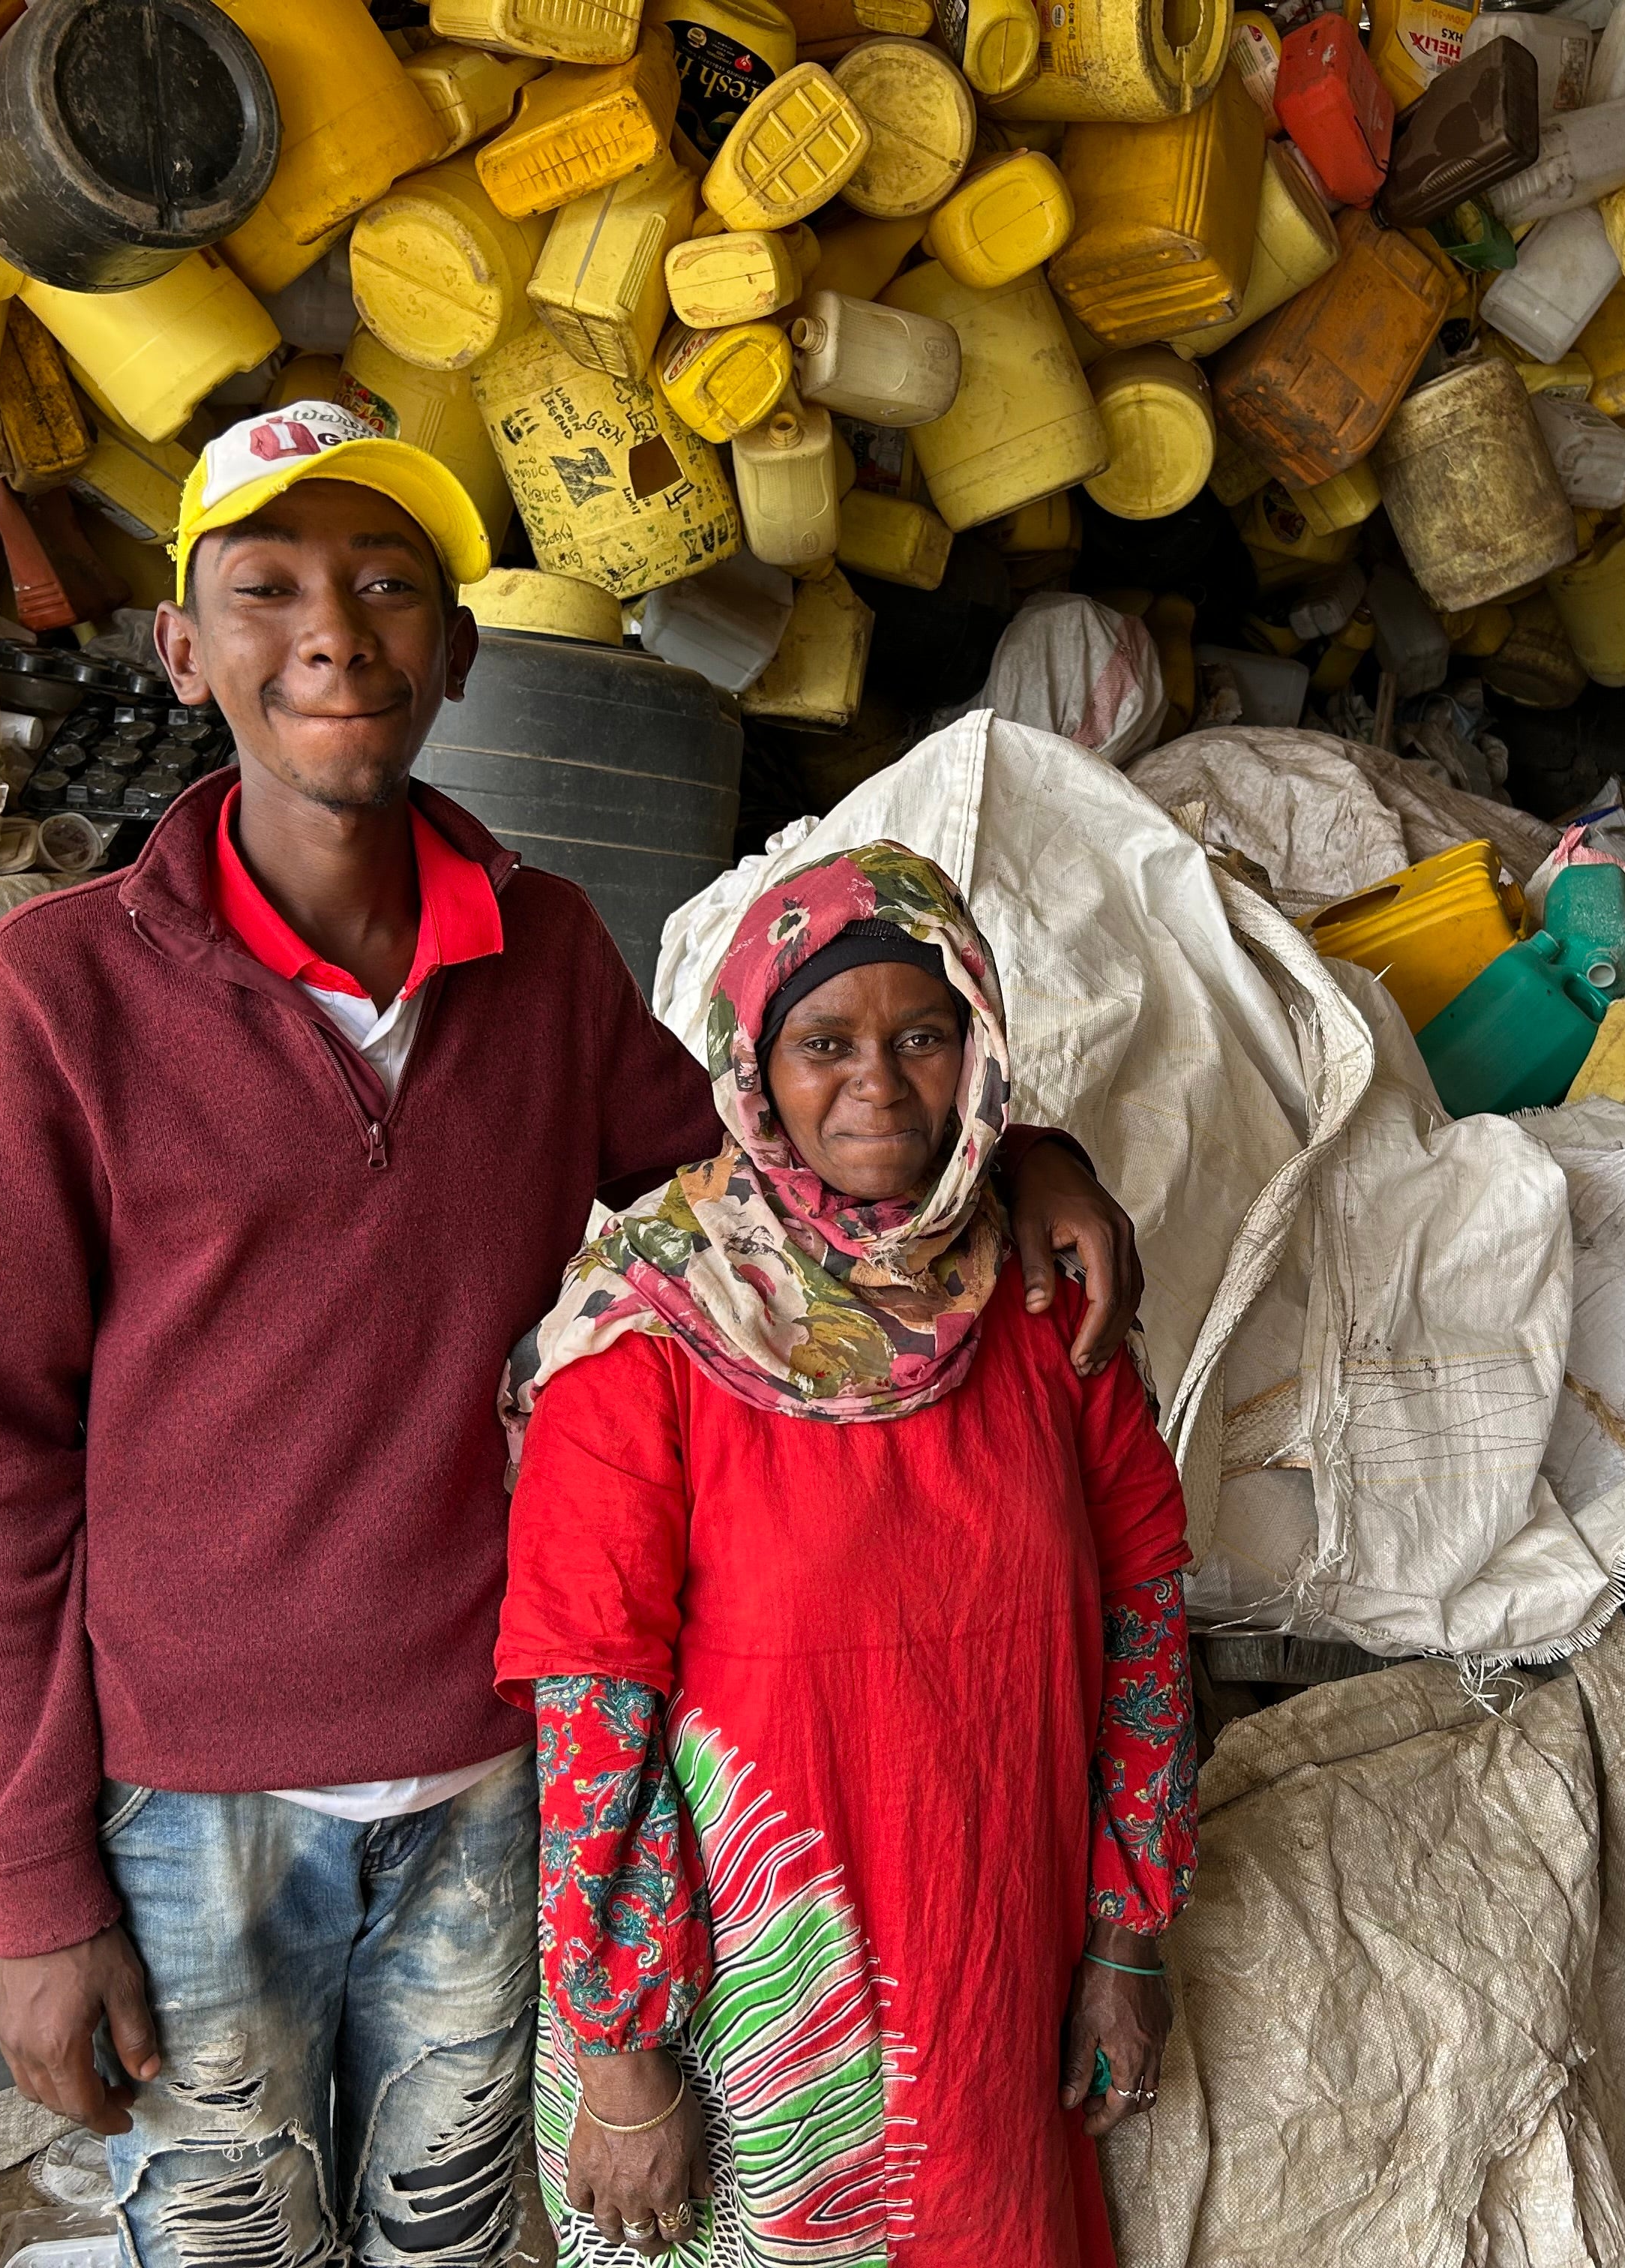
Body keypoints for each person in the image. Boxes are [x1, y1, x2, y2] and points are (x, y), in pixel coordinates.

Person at [0, 404, 1149, 2268]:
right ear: (181, 650)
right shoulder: (56, 995)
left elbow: (777, 1155)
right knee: (234, 2245)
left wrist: (1025, 1143)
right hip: (194, 1803)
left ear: (458, 651)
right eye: (265, 587)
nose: (332, 631)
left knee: (460, 2245)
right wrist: (31, 1883)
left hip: (492, 1779)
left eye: (388, 584)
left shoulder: (547, 951)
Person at [496, 842, 1198, 2264]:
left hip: (994, 1968)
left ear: (983, 1055)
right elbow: (593, 1711)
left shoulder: (1043, 1302)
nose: (877, 1084)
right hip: (748, 2019)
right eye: (824, 1043)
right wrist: (624, 2057)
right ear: (755, 1065)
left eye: (922, 1037)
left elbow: (1145, 1629)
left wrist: (1127, 1933)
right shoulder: (649, 1330)